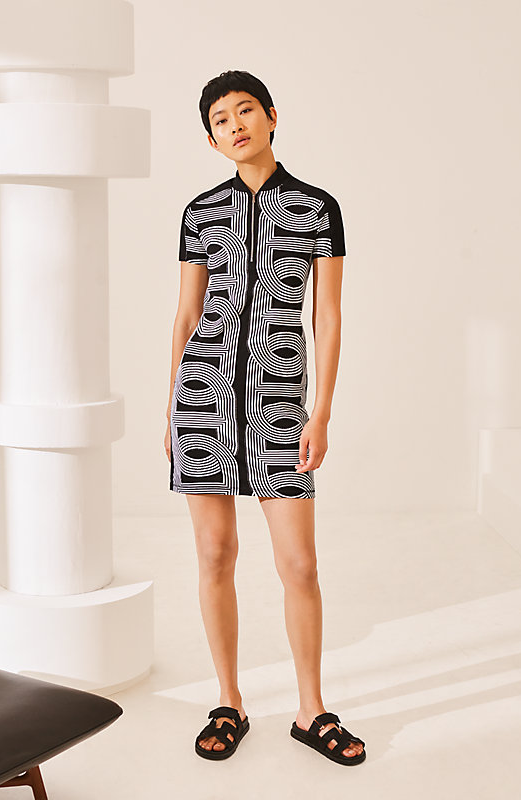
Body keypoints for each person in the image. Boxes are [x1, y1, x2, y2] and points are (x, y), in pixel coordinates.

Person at [164, 70, 365, 766]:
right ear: (212, 140)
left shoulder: (317, 207)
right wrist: (171, 410)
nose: (235, 125)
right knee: (214, 554)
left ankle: (312, 711)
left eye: (245, 110)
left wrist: (321, 412)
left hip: (281, 404)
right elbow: (187, 315)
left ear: (272, 116)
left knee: (299, 563)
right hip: (203, 398)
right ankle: (229, 700)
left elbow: (327, 318)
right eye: (220, 120)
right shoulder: (200, 213)